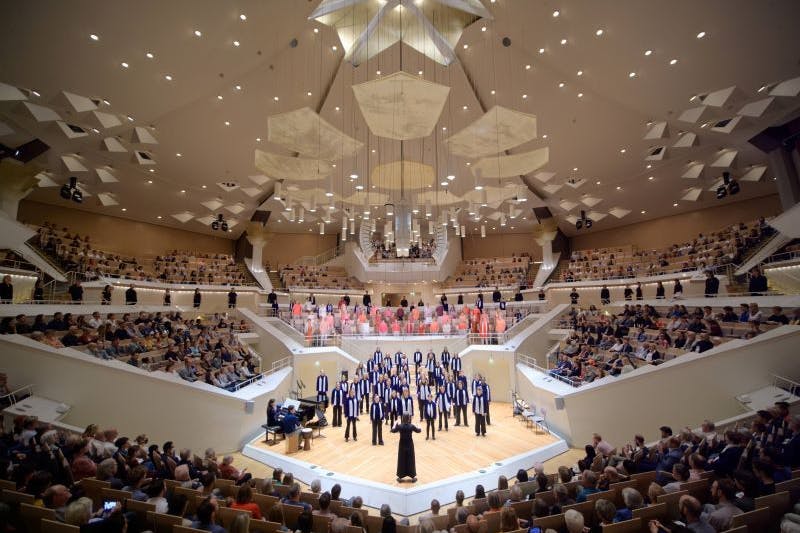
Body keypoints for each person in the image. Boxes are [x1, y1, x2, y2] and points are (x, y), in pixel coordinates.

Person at [392, 414, 421, 483]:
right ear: (408, 418)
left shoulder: (400, 426)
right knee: (411, 460)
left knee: (401, 460)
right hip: (410, 445)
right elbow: (418, 431)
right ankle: (413, 477)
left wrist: (395, 423)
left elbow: (393, 430)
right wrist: (418, 425)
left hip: (402, 445)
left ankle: (400, 477)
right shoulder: (411, 426)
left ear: (403, 418)